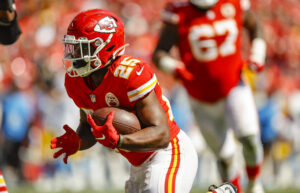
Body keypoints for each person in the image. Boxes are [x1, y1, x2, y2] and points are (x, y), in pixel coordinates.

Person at [50, 9, 198, 193]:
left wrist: (119, 140)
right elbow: (90, 126)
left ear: (106, 47)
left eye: (83, 47)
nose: (75, 54)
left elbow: (162, 134)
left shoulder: (130, 74)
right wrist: (79, 141)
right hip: (138, 163)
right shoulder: (76, 82)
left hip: (167, 153)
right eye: (73, 47)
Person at [152, 0, 266, 193]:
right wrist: (173, 67)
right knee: (224, 155)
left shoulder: (233, 4)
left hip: (234, 86)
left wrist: (258, 54)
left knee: (250, 138)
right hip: (199, 97)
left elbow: (255, 27)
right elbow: (159, 53)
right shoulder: (179, 11)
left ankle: (255, 184)